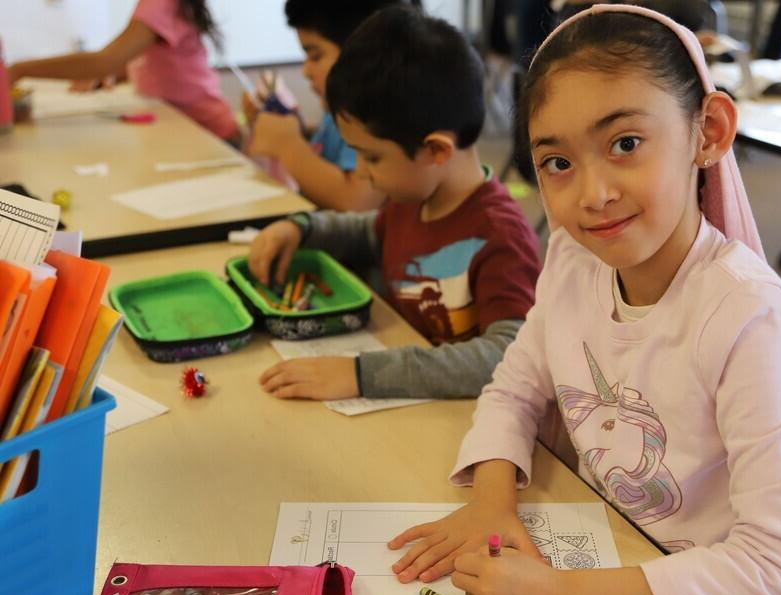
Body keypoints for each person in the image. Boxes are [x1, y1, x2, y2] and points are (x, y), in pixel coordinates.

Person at [387, 5, 781, 595]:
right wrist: (491, 504)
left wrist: (556, 592)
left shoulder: (747, 316)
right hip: (617, 547)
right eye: (558, 163)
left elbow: (777, 569)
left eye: (625, 143)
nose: (593, 195)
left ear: (709, 132)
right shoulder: (573, 257)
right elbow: (515, 386)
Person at [251, 6, 541, 402]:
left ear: (436, 150)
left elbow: (507, 356)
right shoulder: (411, 200)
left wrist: (362, 375)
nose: (363, 173)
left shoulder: (500, 235)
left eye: (372, 158)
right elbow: (370, 231)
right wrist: (302, 228)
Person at [243, 0, 400, 211]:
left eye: (315, 56)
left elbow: (356, 201)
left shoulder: (376, 114)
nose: (305, 71)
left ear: (360, 52)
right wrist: (290, 129)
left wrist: (286, 144)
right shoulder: (334, 112)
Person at [9, 0, 238, 143]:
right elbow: (158, 58)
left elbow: (104, 60)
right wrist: (115, 74)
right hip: (185, 126)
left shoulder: (159, 3)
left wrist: (20, 70)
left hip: (205, 132)